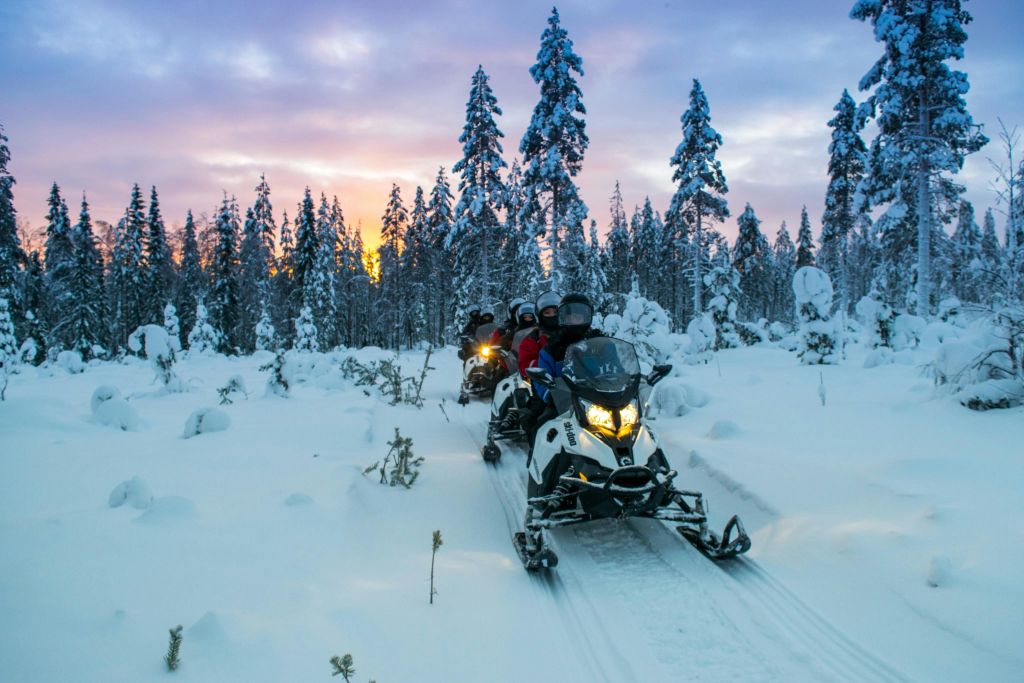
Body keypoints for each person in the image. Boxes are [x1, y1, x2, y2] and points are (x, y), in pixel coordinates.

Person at [524, 293, 601, 453]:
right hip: (563, 399)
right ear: (563, 317)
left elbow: (617, 367)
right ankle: (537, 457)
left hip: (597, 396)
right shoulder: (552, 346)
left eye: (579, 317)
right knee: (540, 423)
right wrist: (549, 393)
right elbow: (541, 374)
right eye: (570, 317)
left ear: (587, 316)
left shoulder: (598, 341)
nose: (575, 321)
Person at [517, 290, 560, 379]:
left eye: (555, 312)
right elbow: (524, 366)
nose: (552, 315)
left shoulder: (569, 332)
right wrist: (548, 363)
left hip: (575, 380)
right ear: (540, 316)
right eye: (547, 313)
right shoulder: (534, 338)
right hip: (546, 382)